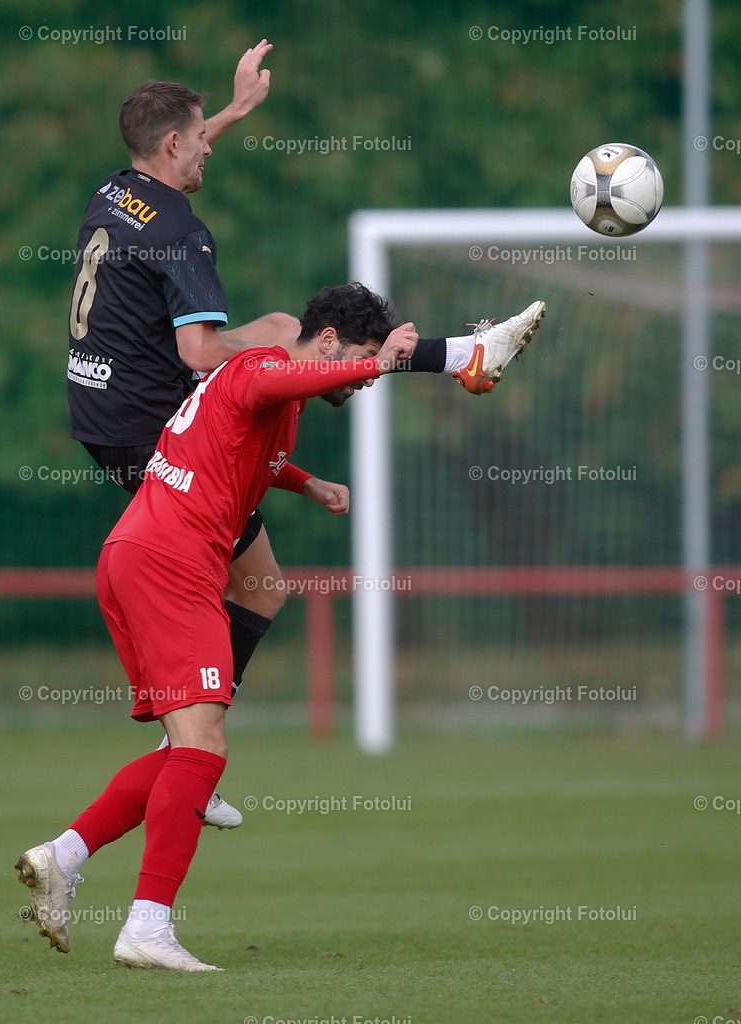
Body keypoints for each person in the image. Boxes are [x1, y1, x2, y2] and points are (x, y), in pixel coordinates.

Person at [64, 44, 546, 830]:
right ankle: (461, 355)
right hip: (147, 423)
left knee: (265, 567)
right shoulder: (182, 229)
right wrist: (268, 373)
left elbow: (173, 147)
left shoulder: (116, 192)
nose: (208, 148)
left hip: (103, 410)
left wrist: (233, 110)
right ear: (174, 148)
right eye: (201, 137)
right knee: (310, 357)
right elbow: (195, 355)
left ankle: (195, 745)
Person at [17, 282, 546, 970]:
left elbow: (245, 454)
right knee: (201, 749)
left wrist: (309, 484)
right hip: (168, 563)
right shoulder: (260, 368)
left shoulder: (274, 399)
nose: (357, 380)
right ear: (325, 342)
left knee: (190, 741)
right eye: (352, 358)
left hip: (136, 555)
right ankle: (146, 928)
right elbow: (294, 376)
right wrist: (389, 360)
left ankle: (63, 856)